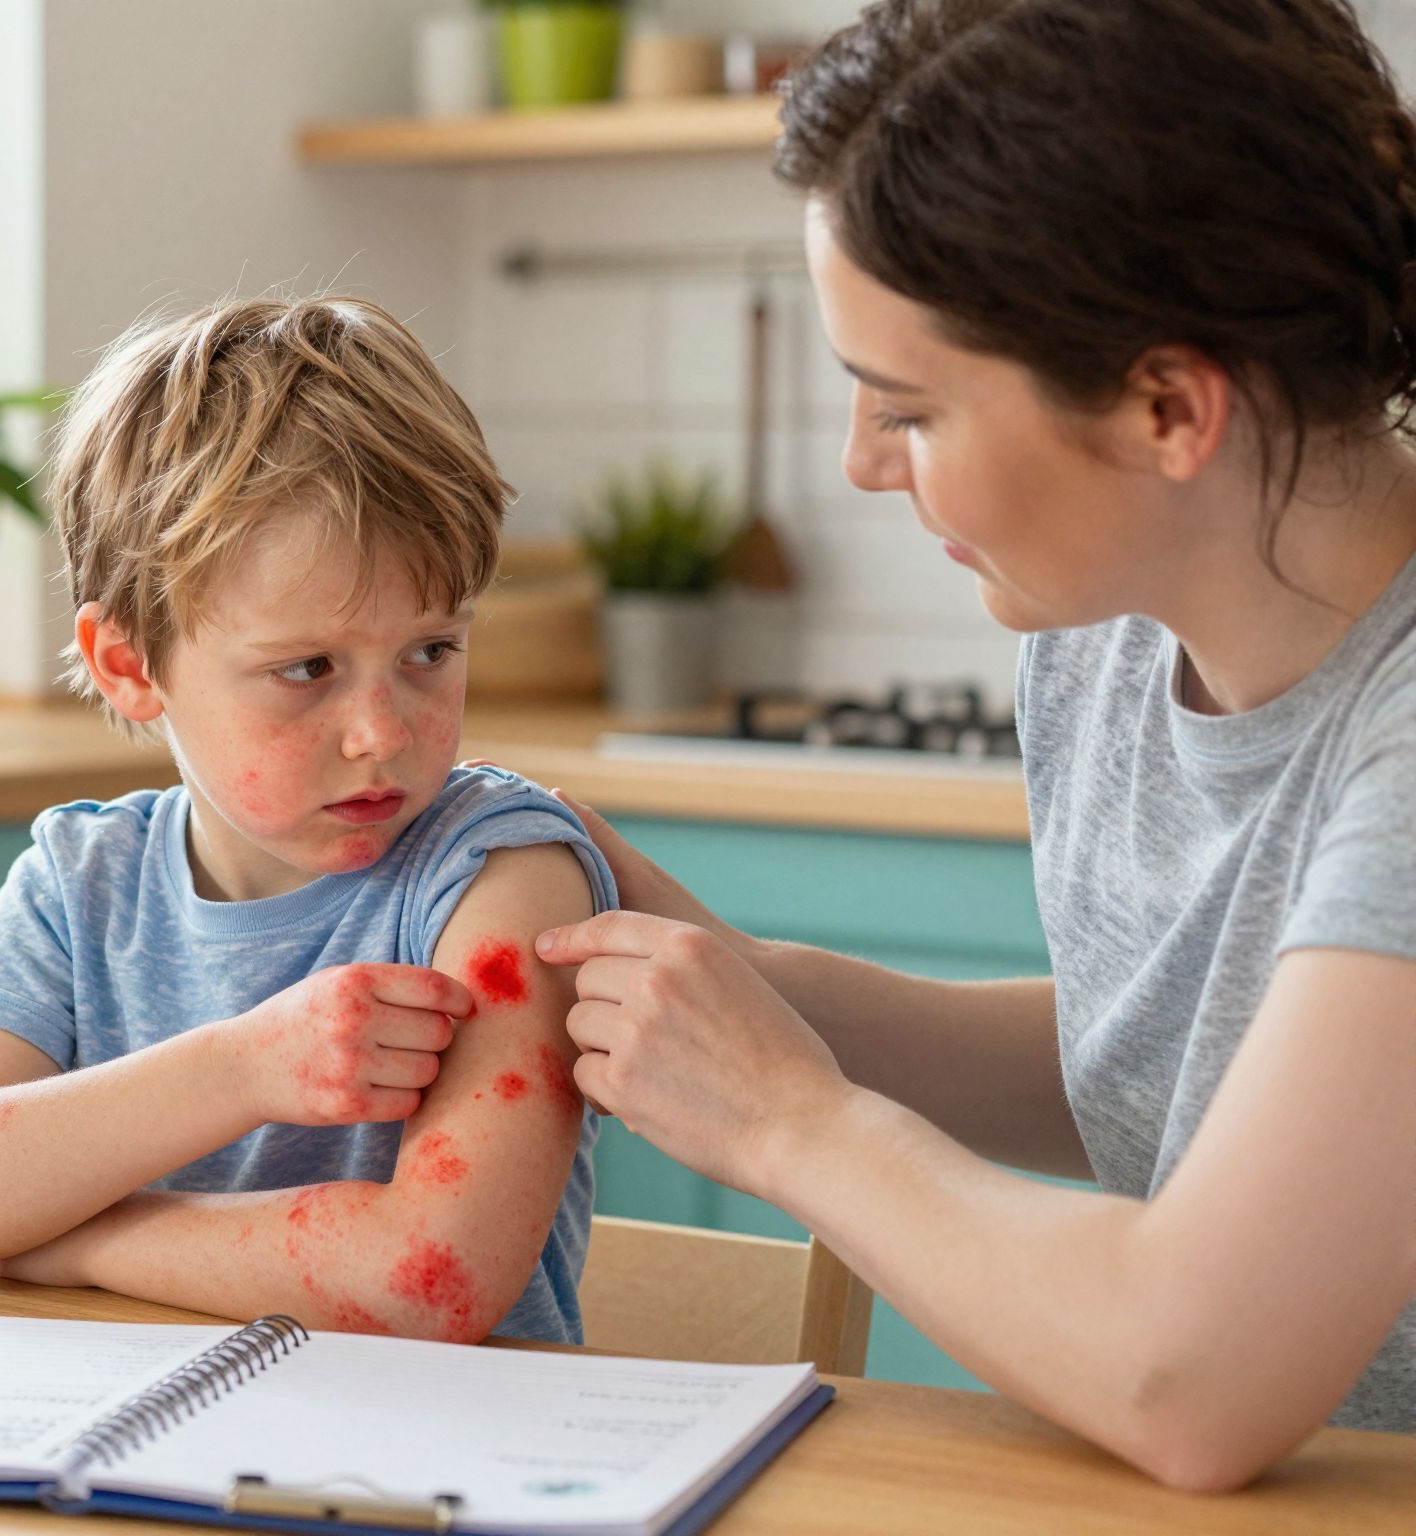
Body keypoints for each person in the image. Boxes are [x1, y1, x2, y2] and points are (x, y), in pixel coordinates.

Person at [536, 0, 1416, 1491]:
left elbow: (1191, 1379)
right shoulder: (1108, 635)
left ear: (1165, 405)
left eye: (911, 406)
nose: (860, 463)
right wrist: (694, 961)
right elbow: (1172, 1074)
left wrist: (792, 1124)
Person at [0, 295, 616, 1344]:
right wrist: (243, 1067)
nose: (380, 734)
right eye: (306, 670)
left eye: (430, 652)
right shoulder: (82, 883)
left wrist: (63, 1239)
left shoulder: (496, 875)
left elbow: (429, 1280)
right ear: (130, 665)